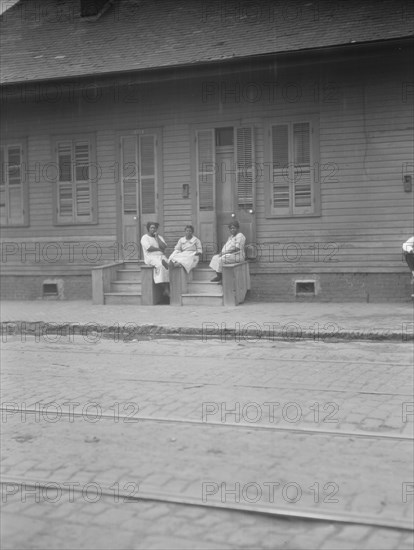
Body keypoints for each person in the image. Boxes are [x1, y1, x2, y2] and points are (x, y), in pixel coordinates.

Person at [140, 222, 170, 293]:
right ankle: (165, 288)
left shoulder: (159, 237)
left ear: (156, 229)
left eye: (154, 228)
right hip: (150, 257)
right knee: (160, 265)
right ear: (148, 229)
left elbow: (164, 246)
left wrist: (157, 238)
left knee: (169, 265)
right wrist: (159, 249)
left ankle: (167, 288)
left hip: (161, 256)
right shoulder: (145, 237)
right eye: (151, 228)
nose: (153, 229)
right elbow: (149, 248)